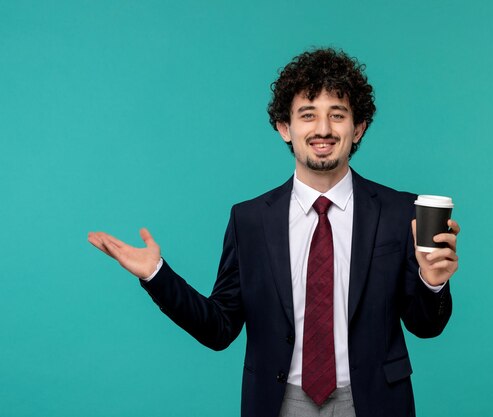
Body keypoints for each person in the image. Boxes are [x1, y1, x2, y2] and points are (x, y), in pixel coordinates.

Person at [88, 48, 461, 417]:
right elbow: (220, 328)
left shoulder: (400, 212)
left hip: (375, 401)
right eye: (307, 115)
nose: (323, 130)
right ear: (285, 127)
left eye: (338, 115)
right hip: (279, 402)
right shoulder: (248, 220)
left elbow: (425, 326)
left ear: (358, 127)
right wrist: (157, 275)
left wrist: (432, 284)